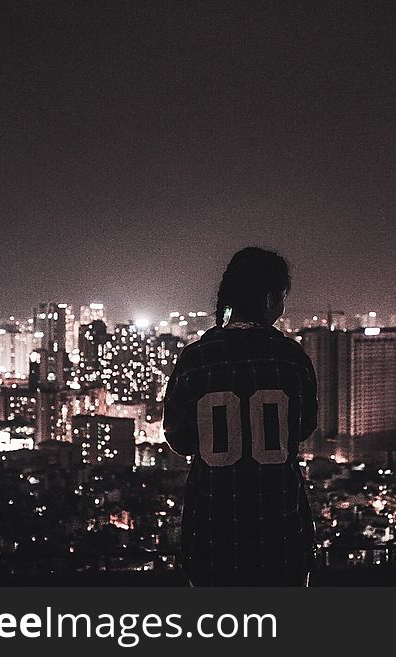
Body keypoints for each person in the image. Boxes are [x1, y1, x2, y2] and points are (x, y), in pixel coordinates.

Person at [163, 246, 318, 586]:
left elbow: (178, 438)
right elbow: (305, 426)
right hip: (281, 529)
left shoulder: (196, 358)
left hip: (213, 532)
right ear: (268, 298)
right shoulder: (291, 358)